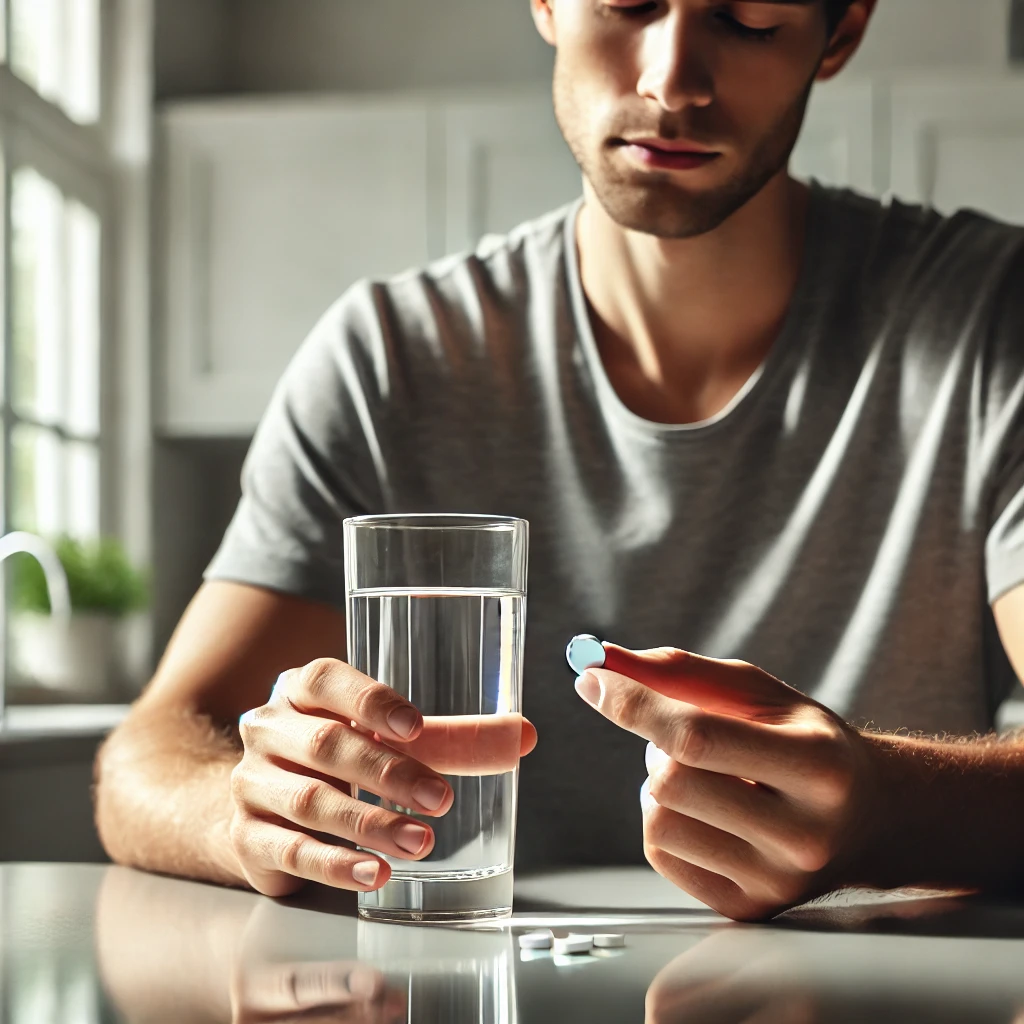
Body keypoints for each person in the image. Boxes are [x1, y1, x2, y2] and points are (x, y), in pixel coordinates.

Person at [95, 0, 1024, 921]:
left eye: (746, 20)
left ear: (843, 32)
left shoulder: (994, 322)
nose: (672, 80)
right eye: (627, 4)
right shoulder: (387, 359)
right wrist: (250, 812)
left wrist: (889, 807)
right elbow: (146, 759)